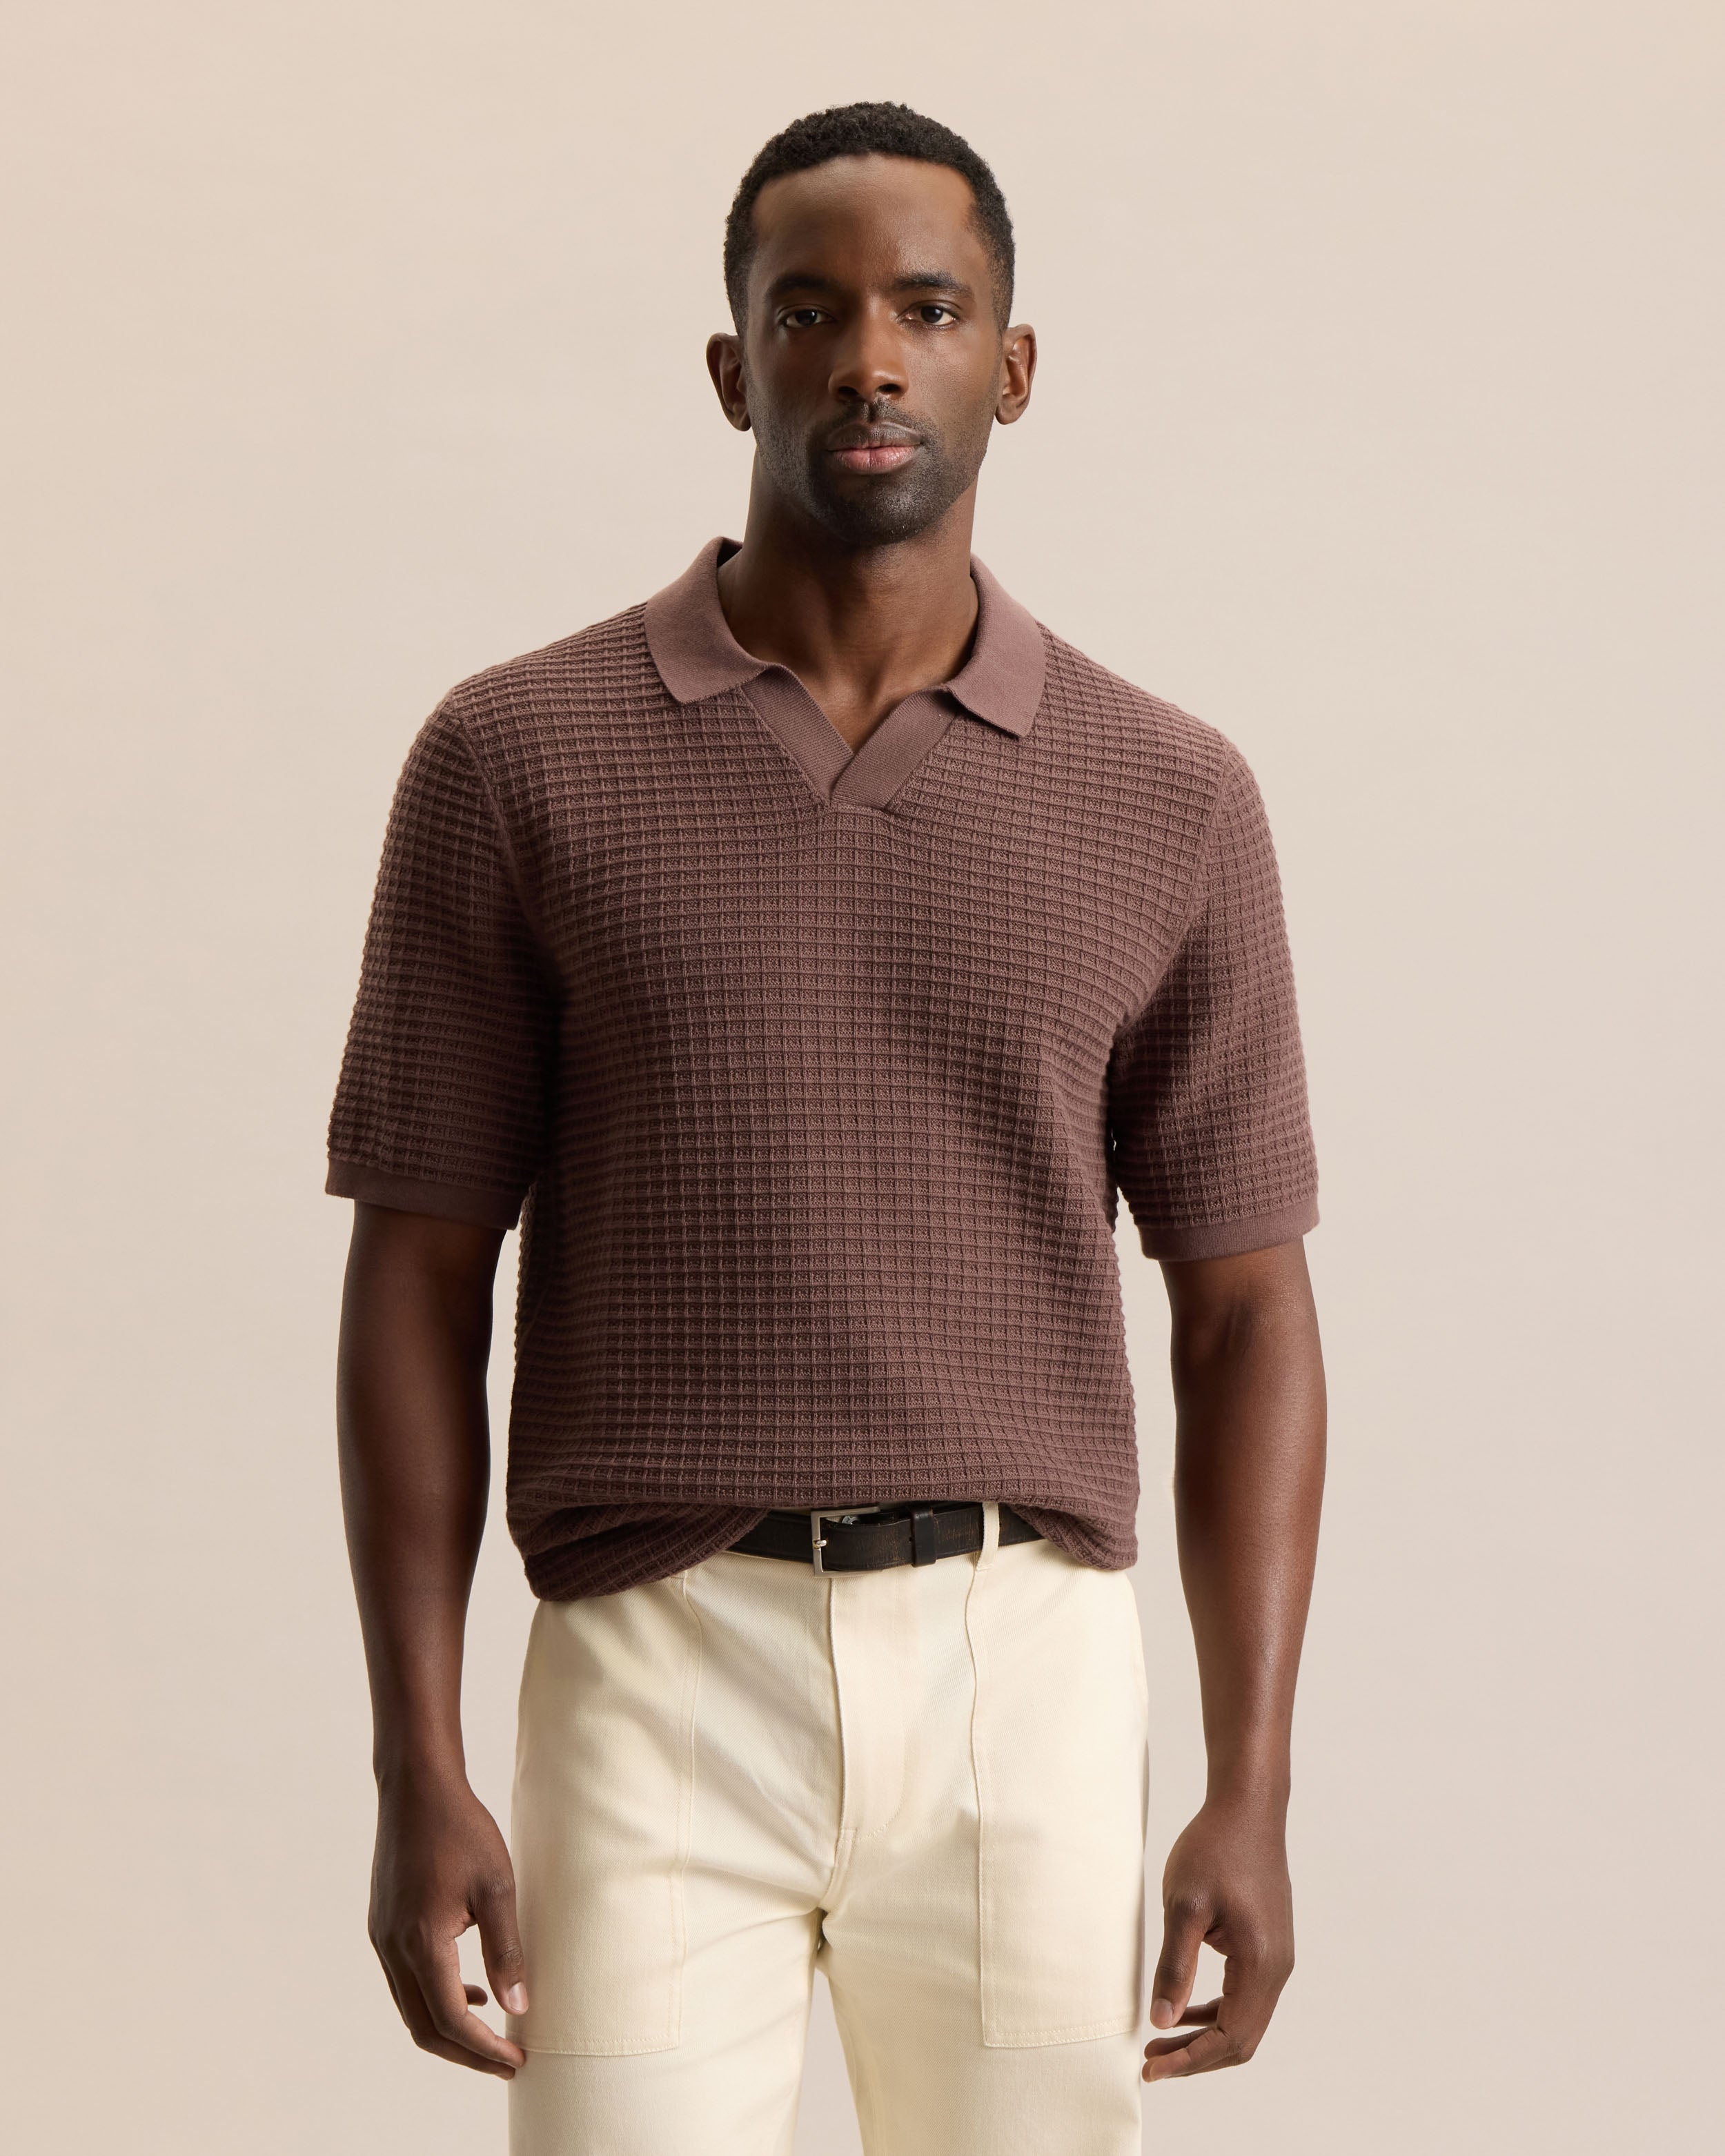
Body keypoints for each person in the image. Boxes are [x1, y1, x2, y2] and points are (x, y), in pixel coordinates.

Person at [327, 99, 1325, 2156]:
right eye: (811, 312)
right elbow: (417, 1278)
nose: (872, 358)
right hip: (653, 1659)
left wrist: (1253, 1783)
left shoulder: (1168, 794)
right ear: (733, 368)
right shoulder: (515, 759)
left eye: (928, 311)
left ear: (1011, 368)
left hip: (1025, 1674)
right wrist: (415, 1761)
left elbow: (1245, 1315)